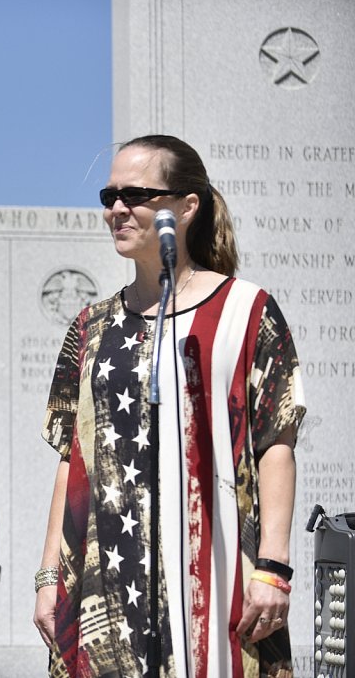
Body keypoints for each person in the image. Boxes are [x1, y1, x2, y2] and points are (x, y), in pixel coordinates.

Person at [33, 135, 305, 677]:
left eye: (134, 194)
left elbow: (276, 441)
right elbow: (72, 459)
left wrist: (273, 568)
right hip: (104, 585)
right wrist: (48, 579)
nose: (116, 209)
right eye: (109, 195)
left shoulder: (247, 310)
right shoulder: (88, 329)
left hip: (220, 573)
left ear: (186, 206)